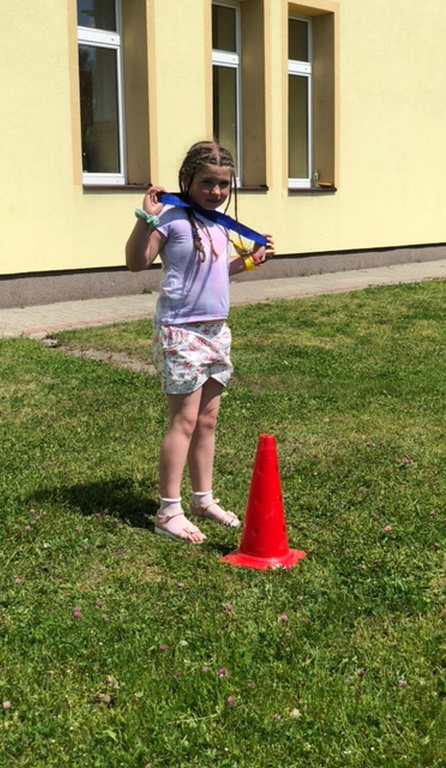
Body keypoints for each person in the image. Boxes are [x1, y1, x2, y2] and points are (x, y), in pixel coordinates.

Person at [125, 141, 275, 543]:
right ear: (187, 180)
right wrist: (146, 219)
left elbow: (216, 272)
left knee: (207, 420)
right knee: (185, 421)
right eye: (207, 182)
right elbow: (136, 262)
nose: (216, 191)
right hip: (180, 331)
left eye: (223, 184)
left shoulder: (219, 225)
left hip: (215, 330)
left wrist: (249, 260)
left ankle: (202, 500)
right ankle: (167, 511)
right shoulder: (171, 219)